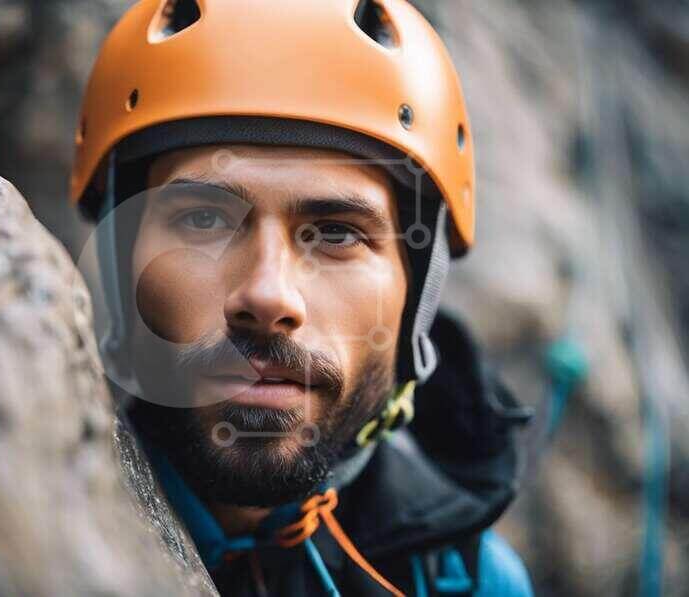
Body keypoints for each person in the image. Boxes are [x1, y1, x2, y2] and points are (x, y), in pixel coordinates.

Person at [70, 1, 535, 595]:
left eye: (337, 233)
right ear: (121, 268)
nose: (268, 295)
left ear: (416, 298)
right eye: (203, 220)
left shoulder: (473, 581)